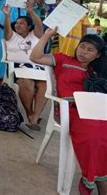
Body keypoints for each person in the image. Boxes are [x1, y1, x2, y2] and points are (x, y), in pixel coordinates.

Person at [30, 31, 107, 195]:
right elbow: (35, 57)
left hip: (93, 109)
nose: (83, 51)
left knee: (101, 132)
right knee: (94, 133)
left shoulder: (98, 71)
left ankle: (95, 177)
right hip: (69, 110)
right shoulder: (63, 59)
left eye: (90, 50)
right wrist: (47, 35)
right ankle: (98, 182)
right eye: (82, 46)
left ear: (98, 55)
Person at [2, 2, 47, 130]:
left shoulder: (35, 35)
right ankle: (30, 113)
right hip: (18, 68)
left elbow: (39, 24)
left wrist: (31, 12)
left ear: (29, 27)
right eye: (16, 23)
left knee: (45, 85)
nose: (18, 25)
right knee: (28, 84)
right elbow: (7, 28)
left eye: (22, 23)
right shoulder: (11, 36)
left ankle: (35, 116)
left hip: (36, 68)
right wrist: (7, 16)